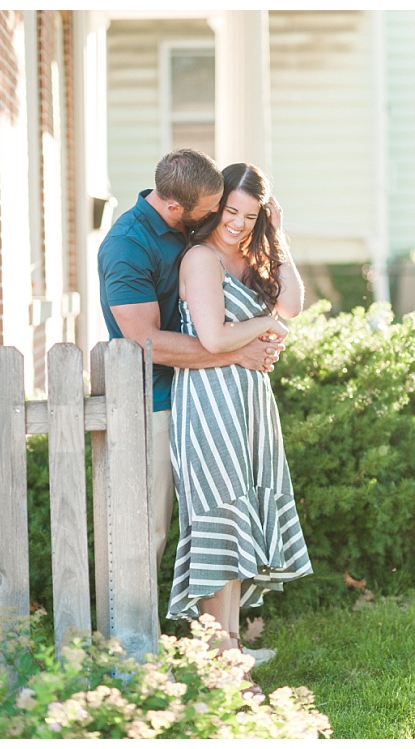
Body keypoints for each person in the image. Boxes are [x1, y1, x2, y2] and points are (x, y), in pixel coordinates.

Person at [98, 149, 282, 579]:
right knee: (149, 528)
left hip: (199, 398)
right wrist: (236, 351)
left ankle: (211, 640)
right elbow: (146, 342)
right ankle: (126, 643)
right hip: (153, 400)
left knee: (218, 519)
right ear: (175, 205)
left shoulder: (186, 225)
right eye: (211, 210)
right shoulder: (127, 245)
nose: (218, 218)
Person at [165, 162, 313, 693]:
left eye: (250, 216)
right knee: (217, 521)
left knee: (236, 519)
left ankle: (229, 646)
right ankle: (220, 660)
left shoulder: (250, 255)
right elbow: (210, 335)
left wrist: (279, 235)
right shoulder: (201, 259)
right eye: (231, 211)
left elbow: (291, 304)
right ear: (217, 205)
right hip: (208, 401)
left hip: (248, 401)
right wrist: (264, 326)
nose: (237, 223)